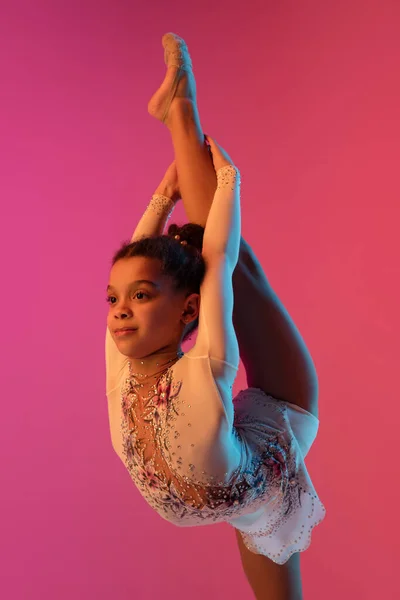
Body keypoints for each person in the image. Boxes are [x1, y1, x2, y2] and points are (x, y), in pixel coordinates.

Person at [105, 33, 326, 600]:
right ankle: (180, 112)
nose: (119, 313)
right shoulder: (122, 361)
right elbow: (139, 268)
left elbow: (222, 260)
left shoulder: (204, 369)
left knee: (233, 268)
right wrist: (167, 197)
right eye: (113, 302)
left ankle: (181, 108)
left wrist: (227, 185)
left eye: (139, 300)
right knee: (216, 261)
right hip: (256, 473)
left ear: (189, 312)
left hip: (249, 472)